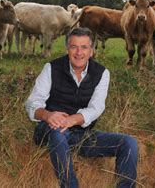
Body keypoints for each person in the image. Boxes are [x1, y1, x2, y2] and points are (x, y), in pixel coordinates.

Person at [25, 27, 138, 188]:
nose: (79, 53)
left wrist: (73, 120)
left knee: (129, 143)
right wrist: (47, 115)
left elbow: (97, 107)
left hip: (81, 135)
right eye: (74, 47)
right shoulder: (51, 68)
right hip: (48, 131)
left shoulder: (101, 73)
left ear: (91, 51)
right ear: (67, 49)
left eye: (84, 47)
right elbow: (32, 102)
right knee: (58, 133)